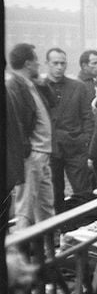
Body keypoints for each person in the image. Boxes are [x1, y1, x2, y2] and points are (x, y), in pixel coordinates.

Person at [5, 43, 56, 229]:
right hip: (32, 155)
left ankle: (48, 251)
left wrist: (43, 85)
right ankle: (20, 251)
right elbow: (16, 123)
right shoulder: (13, 87)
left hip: (42, 154)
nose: (38, 65)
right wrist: (27, 151)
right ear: (28, 63)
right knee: (25, 210)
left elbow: (51, 104)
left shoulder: (31, 84)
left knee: (45, 207)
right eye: (36, 61)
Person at [44, 47, 94, 212]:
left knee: (83, 192)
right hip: (51, 149)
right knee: (54, 193)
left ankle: (84, 227)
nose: (59, 67)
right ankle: (59, 229)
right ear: (47, 64)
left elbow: (87, 116)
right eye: (55, 63)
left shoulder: (78, 87)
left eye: (62, 63)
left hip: (75, 148)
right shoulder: (39, 88)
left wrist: (84, 140)